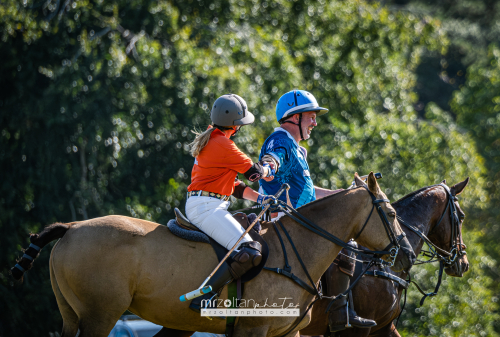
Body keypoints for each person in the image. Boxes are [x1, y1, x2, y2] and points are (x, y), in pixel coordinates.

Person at [258, 89, 376, 332]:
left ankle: (337, 310)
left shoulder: (297, 148)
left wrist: (342, 193)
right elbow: (273, 158)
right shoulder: (280, 141)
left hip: (301, 221)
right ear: (294, 117)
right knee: (348, 245)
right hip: (285, 222)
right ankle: (338, 313)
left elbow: (310, 193)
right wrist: (269, 165)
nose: (314, 122)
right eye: (311, 116)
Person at [186, 93, 276, 313]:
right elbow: (254, 172)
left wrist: (260, 198)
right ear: (235, 126)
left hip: (205, 204)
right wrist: (269, 167)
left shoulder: (212, 139)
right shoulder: (223, 145)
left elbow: (234, 187)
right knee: (250, 250)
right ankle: (204, 296)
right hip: (207, 209)